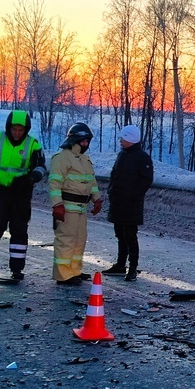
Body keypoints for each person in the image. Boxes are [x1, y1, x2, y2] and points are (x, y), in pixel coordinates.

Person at [0, 110, 46, 281]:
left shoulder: (33, 144)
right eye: (14, 129)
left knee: (19, 230)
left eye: (21, 130)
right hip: (0, 190)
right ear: (9, 127)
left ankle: (17, 269)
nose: (17, 133)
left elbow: (41, 167)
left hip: (21, 192)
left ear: (26, 130)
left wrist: (31, 178)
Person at [48, 122, 102, 285]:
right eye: (83, 141)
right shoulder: (62, 158)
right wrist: (57, 205)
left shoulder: (85, 159)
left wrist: (96, 199)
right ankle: (63, 275)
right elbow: (54, 183)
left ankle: (74, 271)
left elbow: (91, 181)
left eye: (87, 141)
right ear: (74, 140)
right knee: (66, 241)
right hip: (67, 208)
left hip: (81, 209)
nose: (85, 144)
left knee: (79, 240)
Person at [104, 124, 155, 281]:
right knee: (120, 234)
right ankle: (120, 265)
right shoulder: (123, 155)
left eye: (123, 138)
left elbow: (146, 180)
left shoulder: (142, 158)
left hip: (131, 205)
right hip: (118, 202)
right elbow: (115, 175)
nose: (120, 140)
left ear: (130, 139)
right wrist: (112, 190)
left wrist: (133, 195)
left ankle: (132, 267)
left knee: (130, 236)